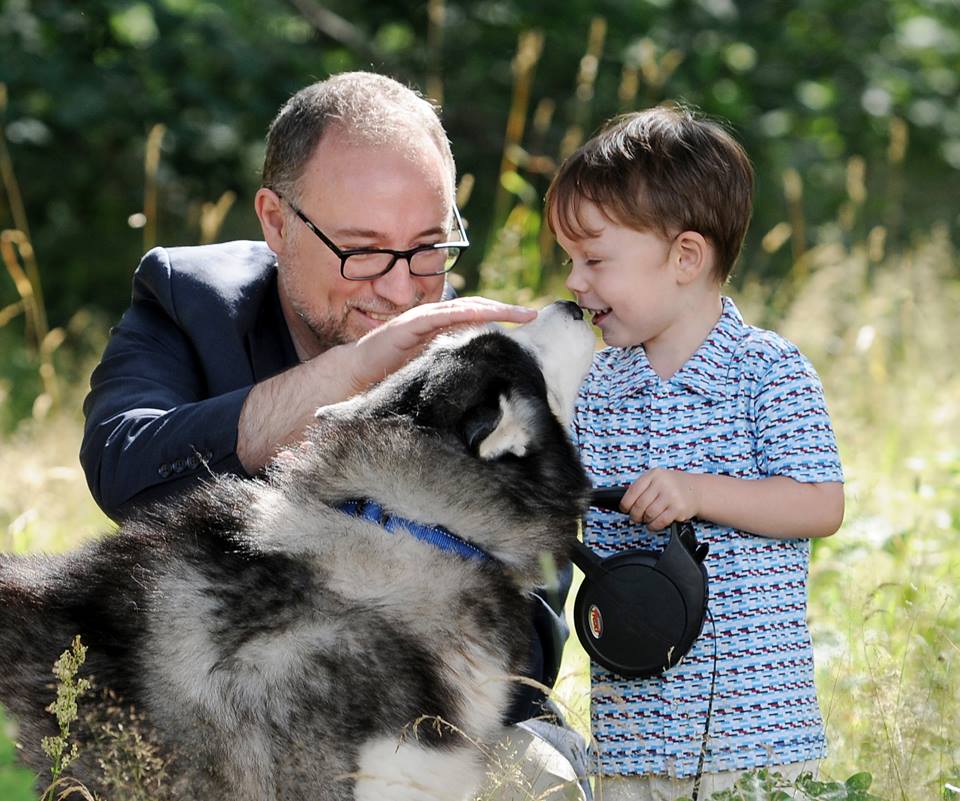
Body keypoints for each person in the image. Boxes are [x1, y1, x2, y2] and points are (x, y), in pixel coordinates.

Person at [81, 71, 588, 800]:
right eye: (363, 250)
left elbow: (526, 637)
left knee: (533, 778)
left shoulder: (486, 359)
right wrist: (344, 379)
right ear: (276, 220)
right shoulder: (189, 299)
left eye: (428, 247)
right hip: (233, 708)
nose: (402, 289)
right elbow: (126, 467)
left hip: (442, 729)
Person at [545, 105, 845, 801]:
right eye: (570, 259)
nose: (573, 281)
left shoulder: (767, 369)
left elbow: (820, 502)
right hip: (634, 735)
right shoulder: (595, 387)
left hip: (755, 733)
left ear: (685, 256)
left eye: (593, 259)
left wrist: (699, 490)